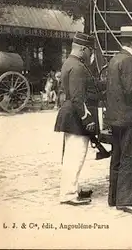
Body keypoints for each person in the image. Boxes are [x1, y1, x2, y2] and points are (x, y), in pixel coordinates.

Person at [105, 26, 132, 214]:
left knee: (116, 157)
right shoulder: (129, 61)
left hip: (115, 118)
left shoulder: (115, 59)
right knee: (130, 158)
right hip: (130, 118)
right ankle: (125, 200)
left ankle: (114, 197)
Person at [54, 33, 100, 205]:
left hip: (70, 114)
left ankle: (72, 188)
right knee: (76, 156)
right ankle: (68, 194)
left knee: (71, 156)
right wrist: (87, 119)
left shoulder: (68, 63)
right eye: (89, 50)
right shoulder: (79, 67)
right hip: (75, 116)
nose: (90, 54)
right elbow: (77, 98)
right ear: (82, 49)